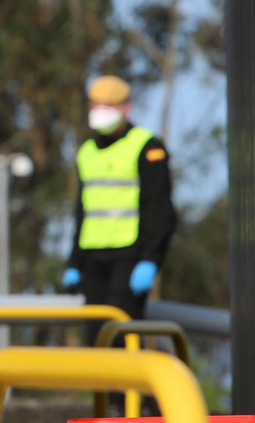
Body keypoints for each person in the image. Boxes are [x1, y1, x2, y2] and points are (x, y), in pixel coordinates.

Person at [63, 75, 177, 323]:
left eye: (108, 106)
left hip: (129, 258)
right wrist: (74, 262)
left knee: (120, 336)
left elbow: (160, 209)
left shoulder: (147, 147)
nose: (100, 112)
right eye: (95, 106)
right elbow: (82, 211)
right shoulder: (87, 151)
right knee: (95, 341)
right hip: (93, 259)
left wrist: (150, 260)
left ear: (125, 107)